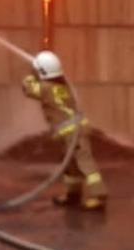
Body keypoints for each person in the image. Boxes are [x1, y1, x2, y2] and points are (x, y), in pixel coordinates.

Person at [21, 50, 107, 210]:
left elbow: (28, 89)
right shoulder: (62, 86)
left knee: (85, 164)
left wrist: (30, 75)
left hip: (73, 133)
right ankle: (73, 195)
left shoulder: (46, 88)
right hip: (71, 132)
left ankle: (98, 196)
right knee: (71, 166)